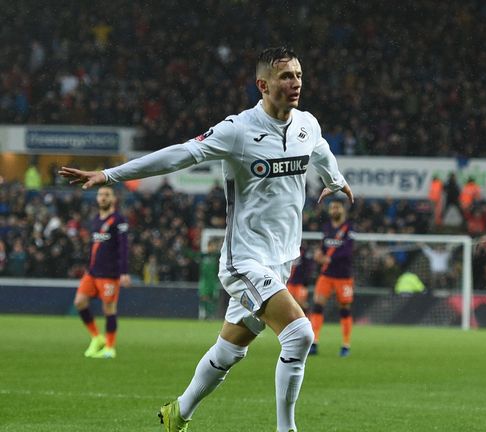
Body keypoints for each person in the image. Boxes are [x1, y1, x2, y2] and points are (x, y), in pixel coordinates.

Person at [60, 46, 353, 432]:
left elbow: (320, 149)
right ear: (263, 85)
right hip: (243, 260)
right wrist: (111, 175)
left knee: (230, 350)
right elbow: (181, 154)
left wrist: (335, 180)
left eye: (298, 75)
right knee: (299, 335)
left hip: (281, 262)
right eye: (286, 76)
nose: (295, 82)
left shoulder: (306, 125)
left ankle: (177, 413)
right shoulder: (239, 130)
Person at [73, 185, 130, 359]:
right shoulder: (96, 219)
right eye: (100, 195)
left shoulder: (118, 220)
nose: (103, 197)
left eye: (107, 195)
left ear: (113, 199)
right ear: (97, 198)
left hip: (110, 274)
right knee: (80, 302)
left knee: (108, 309)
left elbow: (123, 247)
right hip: (92, 272)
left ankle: (110, 348)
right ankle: (97, 338)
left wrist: (124, 272)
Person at [309, 199, 355, 357]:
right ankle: (314, 342)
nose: (334, 210)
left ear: (343, 209)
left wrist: (329, 259)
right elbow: (324, 246)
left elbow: (348, 250)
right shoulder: (327, 227)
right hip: (326, 275)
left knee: (344, 309)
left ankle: (346, 345)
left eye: (337, 207)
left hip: (343, 276)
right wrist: (319, 254)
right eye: (332, 208)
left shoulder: (349, 227)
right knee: (317, 305)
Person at [286, 242, 314, 314]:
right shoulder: (288, 250)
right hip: (290, 282)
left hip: (300, 283)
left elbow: (309, 267)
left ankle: (308, 318)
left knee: (301, 302)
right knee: (288, 302)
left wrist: (305, 281)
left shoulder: (304, 252)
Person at [198, 239, 221, 320]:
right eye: (210, 246)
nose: (212, 248)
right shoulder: (203, 256)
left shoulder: (217, 256)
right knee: (204, 297)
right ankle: (206, 314)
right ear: (208, 247)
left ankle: (211, 315)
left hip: (213, 281)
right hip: (204, 281)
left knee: (213, 299)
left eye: (213, 246)